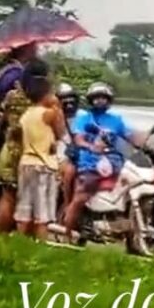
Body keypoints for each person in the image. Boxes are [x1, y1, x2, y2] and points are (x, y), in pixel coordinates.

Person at [61, 82, 146, 242]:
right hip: (90, 163)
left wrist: (147, 140)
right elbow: (79, 139)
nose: (100, 101)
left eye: (103, 98)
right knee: (81, 196)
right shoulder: (84, 118)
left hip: (114, 162)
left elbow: (132, 138)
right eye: (97, 98)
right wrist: (91, 147)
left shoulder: (116, 119)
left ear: (109, 100)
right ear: (91, 100)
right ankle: (67, 232)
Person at [0, 58, 49, 233]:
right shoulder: (47, 100)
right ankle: (28, 241)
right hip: (36, 153)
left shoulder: (12, 96)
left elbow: (2, 119)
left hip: (11, 150)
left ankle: (2, 238)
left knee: (8, 196)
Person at [15, 72, 66, 240]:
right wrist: (58, 107)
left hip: (26, 162)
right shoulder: (49, 113)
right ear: (46, 95)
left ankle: (19, 242)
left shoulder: (26, 114)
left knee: (24, 208)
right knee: (42, 213)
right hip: (44, 165)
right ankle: (41, 243)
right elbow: (61, 133)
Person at [55, 82, 85, 215]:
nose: (69, 104)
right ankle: (67, 204)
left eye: (71, 99)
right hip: (62, 156)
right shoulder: (55, 117)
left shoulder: (83, 115)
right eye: (64, 100)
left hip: (82, 154)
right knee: (70, 171)